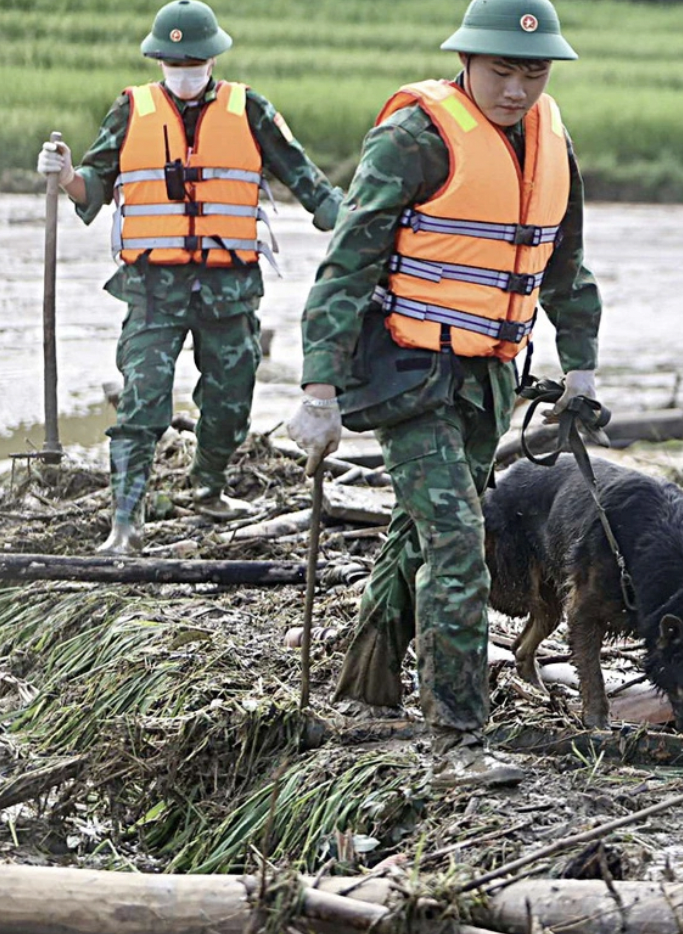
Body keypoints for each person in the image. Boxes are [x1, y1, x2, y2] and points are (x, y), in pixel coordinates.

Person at [286, 0, 602, 788]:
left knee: (419, 526)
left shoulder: (552, 142)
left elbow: (564, 267)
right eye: (502, 71)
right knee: (458, 544)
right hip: (406, 374)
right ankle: (457, 739)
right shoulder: (413, 139)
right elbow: (347, 264)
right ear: (468, 62)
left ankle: (365, 682)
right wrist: (317, 386)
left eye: (534, 72)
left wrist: (583, 362)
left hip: (488, 375)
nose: (517, 89)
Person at [36, 0, 343, 555]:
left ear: (212, 59)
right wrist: (65, 174)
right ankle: (125, 523)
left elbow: (309, 182)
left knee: (230, 402)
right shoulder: (131, 111)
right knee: (142, 401)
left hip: (230, 290)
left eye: (193, 61)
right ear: (158, 62)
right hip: (152, 290)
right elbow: (92, 187)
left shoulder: (249, 109)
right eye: (172, 62)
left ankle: (207, 488)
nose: (183, 71)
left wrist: (359, 224)